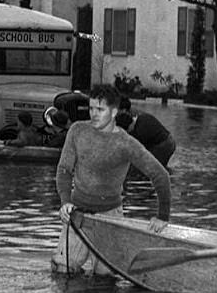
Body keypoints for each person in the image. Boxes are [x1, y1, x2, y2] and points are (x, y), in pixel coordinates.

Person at [53, 84, 173, 276]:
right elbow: (64, 170)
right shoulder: (77, 131)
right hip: (77, 213)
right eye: (91, 108)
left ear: (114, 111)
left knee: (105, 280)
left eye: (100, 109)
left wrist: (162, 216)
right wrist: (65, 202)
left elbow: (161, 175)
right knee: (61, 271)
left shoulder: (126, 143)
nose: (93, 114)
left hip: (110, 217)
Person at [115, 95, 176, 167]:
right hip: (164, 140)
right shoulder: (135, 118)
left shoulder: (137, 124)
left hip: (164, 144)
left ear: (123, 110)